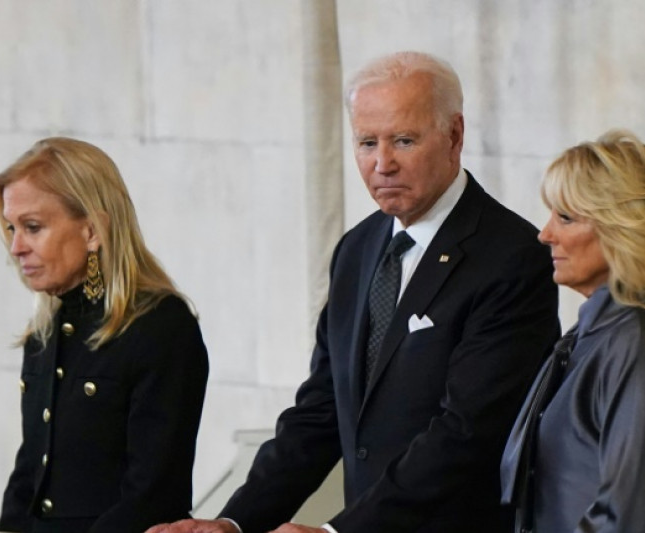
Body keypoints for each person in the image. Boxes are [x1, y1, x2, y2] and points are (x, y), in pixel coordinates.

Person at [148, 51, 559, 533]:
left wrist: (338, 531)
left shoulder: (511, 257)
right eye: (367, 143)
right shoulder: (357, 250)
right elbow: (323, 409)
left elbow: (466, 434)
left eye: (403, 140)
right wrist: (234, 522)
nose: (382, 163)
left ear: (454, 136)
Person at [500, 130, 645, 532]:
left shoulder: (640, 343)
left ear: (623, 229)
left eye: (565, 217)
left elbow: (623, 519)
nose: (545, 234)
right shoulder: (599, 334)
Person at [0, 137, 209, 533]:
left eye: (33, 227)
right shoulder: (44, 334)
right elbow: (29, 475)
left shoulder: (161, 325)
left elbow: (156, 492)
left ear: (92, 231)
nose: (16, 246)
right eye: (11, 228)